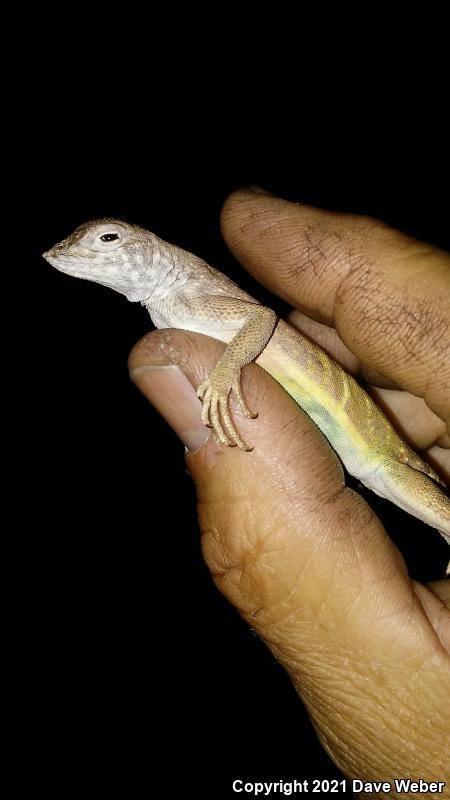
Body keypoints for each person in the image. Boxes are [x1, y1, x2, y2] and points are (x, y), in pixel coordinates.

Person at [129, 188, 450, 783]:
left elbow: (257, 319)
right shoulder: (170, 304)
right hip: (347, 437)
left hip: (372, 447)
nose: (80, 252)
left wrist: (226, 371)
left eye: (107, 241)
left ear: (153, 252)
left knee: (420, 500)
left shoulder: (191, 293)